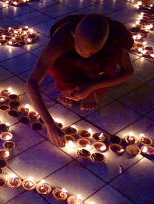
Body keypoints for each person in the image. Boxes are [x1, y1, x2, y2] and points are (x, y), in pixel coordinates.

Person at [25, 13, 135, 147]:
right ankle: (68, 86)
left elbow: (128, 72)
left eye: (93, 52)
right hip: (68, 61)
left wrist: (91, 86)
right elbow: (31, 84)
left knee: (105, 63)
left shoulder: (116, 40)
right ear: (73, 35)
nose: (87, 55)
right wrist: (50, 125)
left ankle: (89, 91)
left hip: (95, 71)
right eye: (83, 50)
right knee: (55, 66)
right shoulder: (60, 41)